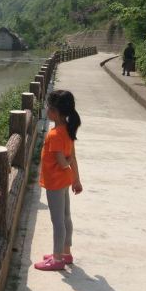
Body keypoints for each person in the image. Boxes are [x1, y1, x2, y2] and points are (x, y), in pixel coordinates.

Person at [34, 90, 83, 271]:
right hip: (65, 181)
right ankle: (66, 253)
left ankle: (56, 259)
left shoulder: (54, 135)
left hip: (54, 182)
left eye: (48, 106)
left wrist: (67, 161)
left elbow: (63, 163)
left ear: (54, 111)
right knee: (66, 217)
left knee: (58, 221)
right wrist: (76, 180)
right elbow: (73, 158)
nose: (46, 109)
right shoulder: (69, 131)